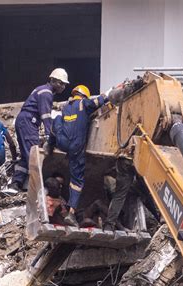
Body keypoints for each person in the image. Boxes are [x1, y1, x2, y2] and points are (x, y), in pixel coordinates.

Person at [48, 84, 108, 226]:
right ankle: (72, 213)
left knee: (56, 120)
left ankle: (49, 144)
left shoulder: (66, 107)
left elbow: (58, 125)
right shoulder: (84, 104)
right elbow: (99, 101)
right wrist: (113, 91)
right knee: (77, 181)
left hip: (62, 143)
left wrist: (51, 145)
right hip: (76, 147)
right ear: (84, 96)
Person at [8, 68, 69, 192]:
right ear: (53, 81)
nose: (63, 86)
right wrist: (49, 135)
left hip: (26, 121)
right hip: (29, 122)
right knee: (33, 155)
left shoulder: (42, 90)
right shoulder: (46, 93)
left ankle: (17, 183)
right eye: (61, 83)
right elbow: (45, 115)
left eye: (64, 84)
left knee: (27, 155)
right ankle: (33, 188)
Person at [103, 157, 160, 231]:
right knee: (148, 192)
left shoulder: (111, 179)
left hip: (126, 158)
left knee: (120, 195)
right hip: (142, 158)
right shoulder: (109, 180)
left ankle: (109, 225)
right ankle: (161, 218)